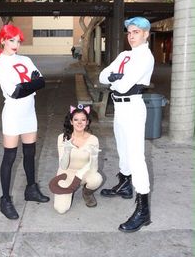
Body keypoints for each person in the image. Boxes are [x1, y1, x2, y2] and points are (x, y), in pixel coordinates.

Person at [99, 17, 154, 233]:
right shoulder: (124, 55)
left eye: (136, 32)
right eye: (129, 32)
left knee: (136, 157)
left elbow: (122, 86)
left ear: (146, 34)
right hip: (119, 109)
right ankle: (125, 185)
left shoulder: (145, 57)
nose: (131, 36)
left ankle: (143, 210)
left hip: (133, 108)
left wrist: (115, 79)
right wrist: (114, 77)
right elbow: (103, 76)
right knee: (122, 150)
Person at [0, 24, 50, 220]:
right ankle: (5, 200)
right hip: (13, 114)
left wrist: (29, 85)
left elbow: (42, 81)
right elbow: (15, 92)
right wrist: (32, 84)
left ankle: (31, 189)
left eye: (18, 41)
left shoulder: (25, 59)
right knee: (9, 157)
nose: (16, 44)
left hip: (29, 112)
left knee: (30, 153)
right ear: (3, 40)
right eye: (11, 40)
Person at [48, 104, 103, 214]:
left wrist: (94, 156)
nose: (79, 122)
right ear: (71, 122)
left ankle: (87, 193)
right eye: (76, 119)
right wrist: (67, 150)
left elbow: (93, 170)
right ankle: (69, 190)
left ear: (87, 122)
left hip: (84, 174)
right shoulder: (62, 138)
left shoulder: (93, 139)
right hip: (66, 174)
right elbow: (63, 166)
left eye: (83, 120)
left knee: (96, 178)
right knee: (61, 209)